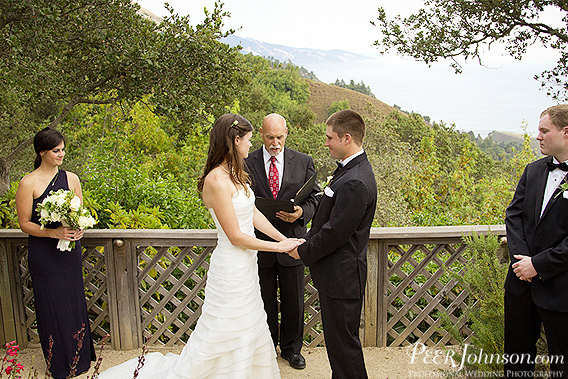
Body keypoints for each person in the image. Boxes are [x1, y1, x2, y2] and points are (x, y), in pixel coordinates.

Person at [98, 114, 304, 379]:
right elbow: (235, 236)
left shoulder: (236, 174)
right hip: (231, 267)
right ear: (235, 140)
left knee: (249, 323)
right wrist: (279, 248)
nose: (251, 146)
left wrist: (281, 238)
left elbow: (252, 214)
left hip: (247, 266)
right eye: (249, 140)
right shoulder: (216, 180)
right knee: (225, 326)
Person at [289, 109, 377, 379]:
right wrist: (304, 237)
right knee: (339, 348)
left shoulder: (356, 182)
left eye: (329, 138)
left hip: (343, 278)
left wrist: (301, 250)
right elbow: (327, 222)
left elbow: (335, 233)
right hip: (338, 276)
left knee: (344, 348)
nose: (326, 143)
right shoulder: (349, 171)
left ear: (346, 138)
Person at [15, 127, 96, 379]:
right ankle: (59, 364)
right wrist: (53, 233)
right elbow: (24, 223)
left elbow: (79, 212)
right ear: (42, 152)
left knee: (72, 301)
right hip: (44, 254)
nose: (61, 154)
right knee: (52, 304)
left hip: (69, 251)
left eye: (63, 150)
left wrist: (78, 228)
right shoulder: (28, 182)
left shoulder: (72, 178)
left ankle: (80, 358)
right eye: (56, 150)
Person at [244, 113, 320, 370]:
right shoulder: (247, 161)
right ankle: (266, 348)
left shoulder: (304, 161)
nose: (275, 143)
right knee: (263, 299)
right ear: (262, 135)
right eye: (269, 137)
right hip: (259, 243)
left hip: (293, 243)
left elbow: (316, 198)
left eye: (279, 137)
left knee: (294, 300)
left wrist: (301, 212)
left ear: (287, 133)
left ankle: (292, 350)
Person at [504, 104, 568, 379]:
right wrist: (522, 263)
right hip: (520, 286)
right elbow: (514, 214)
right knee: (517, 362)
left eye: (544, 131)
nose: (538, 136)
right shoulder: (532, 171)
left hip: (561, 289)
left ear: (566, 132)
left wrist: (538, 265)